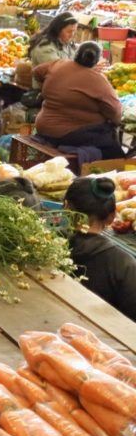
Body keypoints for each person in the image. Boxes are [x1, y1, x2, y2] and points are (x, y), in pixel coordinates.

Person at [64, 177, 136, 322]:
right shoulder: (123, 264)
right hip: (101, 340)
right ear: (112, 218)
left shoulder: (46, 244)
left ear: (67, 208)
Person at [35, 42, 123, 160]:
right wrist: (115, 121)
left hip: (43, 126)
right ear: (96, 60)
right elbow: (115, 111)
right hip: (71, 134)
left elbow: (36, 72)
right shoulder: (97, 80)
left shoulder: (58, 65)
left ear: (76, 54)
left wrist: (46, 87)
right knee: (114, 151)